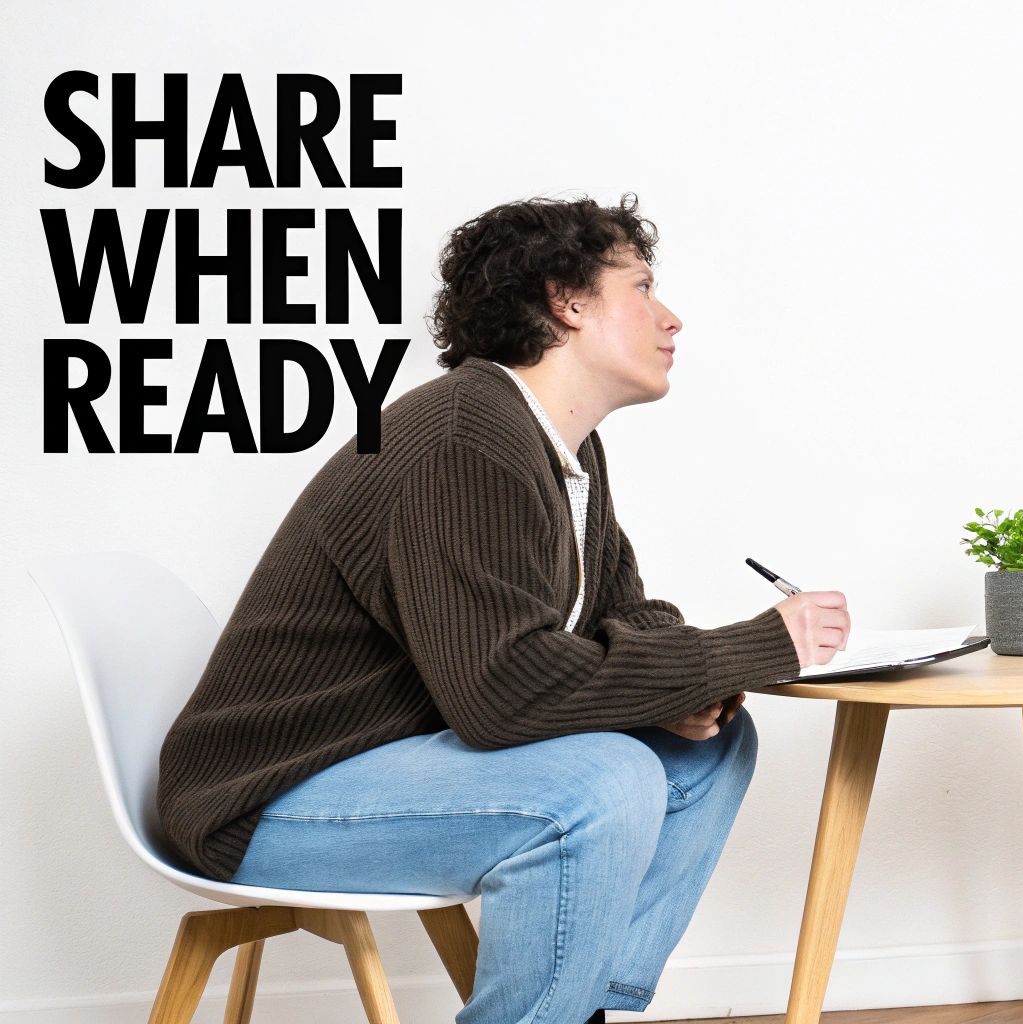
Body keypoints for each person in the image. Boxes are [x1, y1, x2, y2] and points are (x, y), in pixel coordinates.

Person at [155, 194, 853, 1022]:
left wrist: (692, 685)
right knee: (605, 780)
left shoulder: (558, 443)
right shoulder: (464, 437)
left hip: (384, 761)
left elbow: (620, 613)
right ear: (568, 300)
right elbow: (505, 695)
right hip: (265, 800)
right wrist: (754, 647)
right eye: (642, 288)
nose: (671, 318)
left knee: (705, 751)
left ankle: (588, 1009)